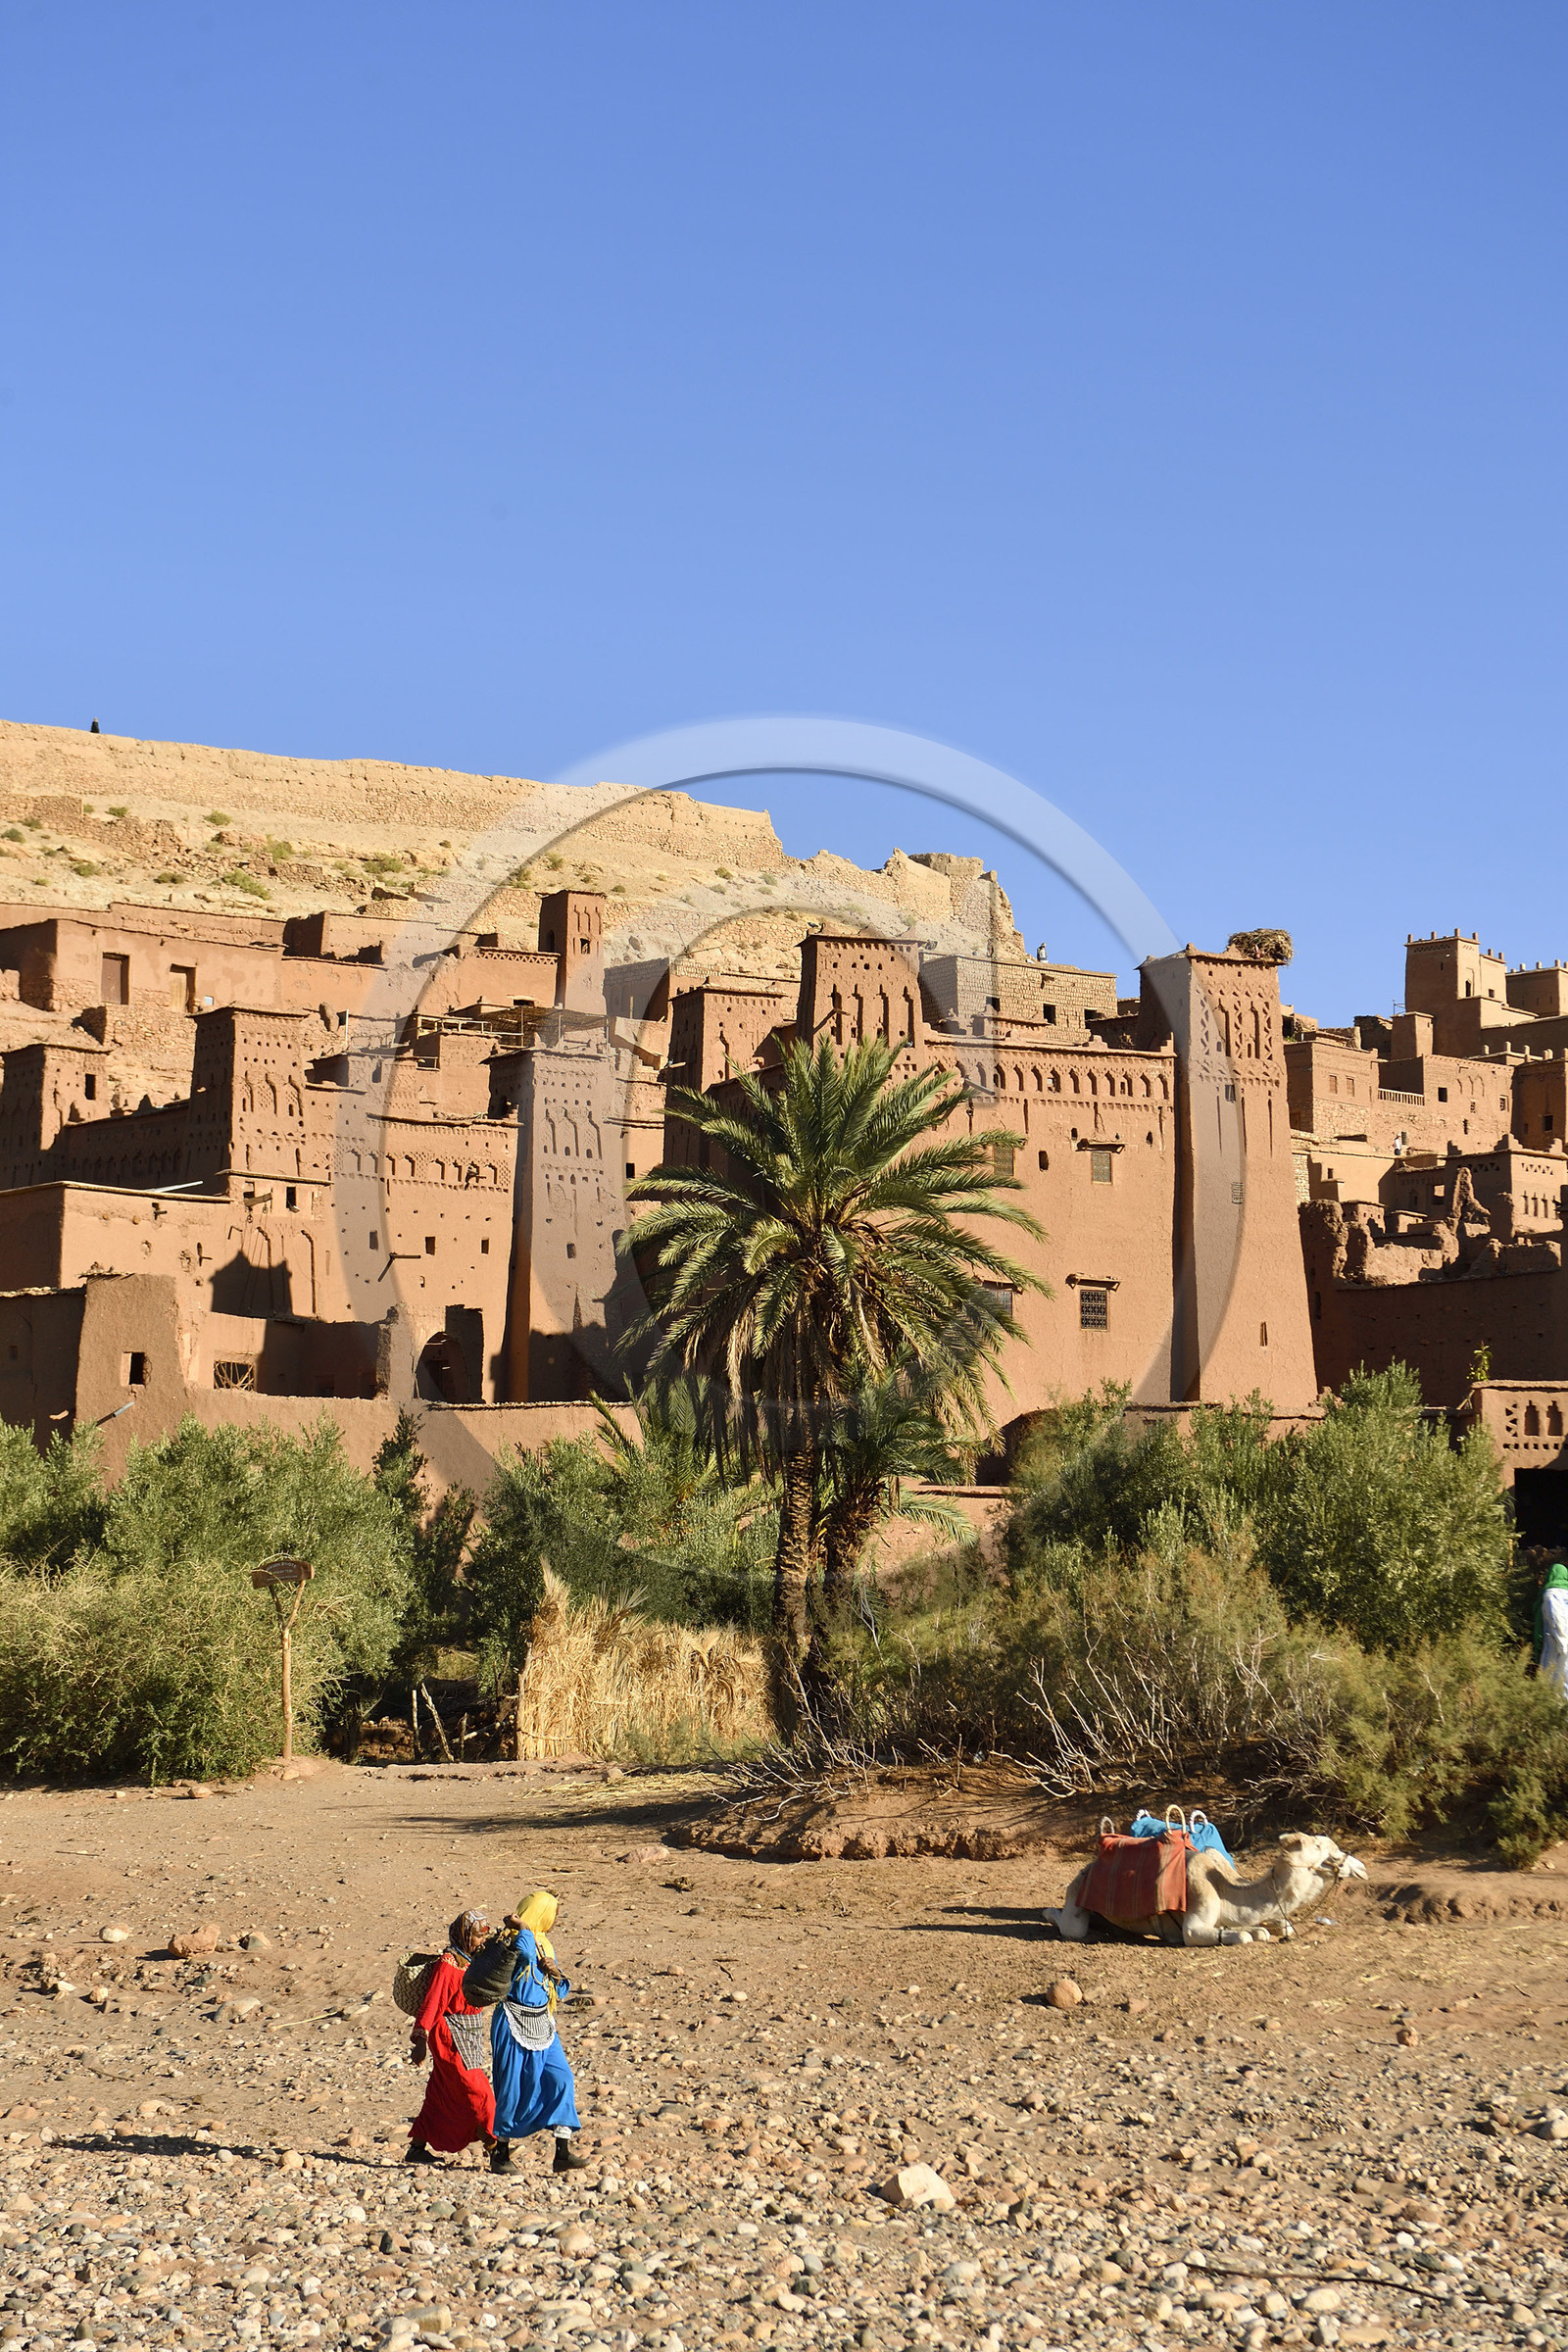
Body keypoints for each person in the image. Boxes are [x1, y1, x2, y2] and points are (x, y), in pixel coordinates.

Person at [489, 1889, 587, 2176]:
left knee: (561, 2078)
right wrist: (523, 1929)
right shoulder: (513, 1941)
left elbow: (560, 1989)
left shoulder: (545, 1944)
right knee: (511, 2087)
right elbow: (525, 1954)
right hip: (512, 2020)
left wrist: (555, 1972)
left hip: (543, 2022)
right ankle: (500, 2153)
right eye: (553, 1913)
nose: (555, 1919)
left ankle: (562, 2152)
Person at [407, 1908, 496, 2167]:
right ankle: (495, 2146)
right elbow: (433, 2002)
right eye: (478, 1937)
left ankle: (417, 2147)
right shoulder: (448, 1964)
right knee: (477, 2089)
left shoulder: (470, 1961)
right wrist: (421, 2039)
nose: (481, 1942)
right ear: (465, 1935)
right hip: (449, 2037)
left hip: (468, 2034)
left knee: (442, 2090)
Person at [1537, 1562, 1568, 1700]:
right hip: (1563, 1647)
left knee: (1552, 1687)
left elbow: (1555, 1618)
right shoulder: (1565, 1593)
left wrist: (1562, 1642)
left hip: (1556, 1648)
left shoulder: (1551, 1594)